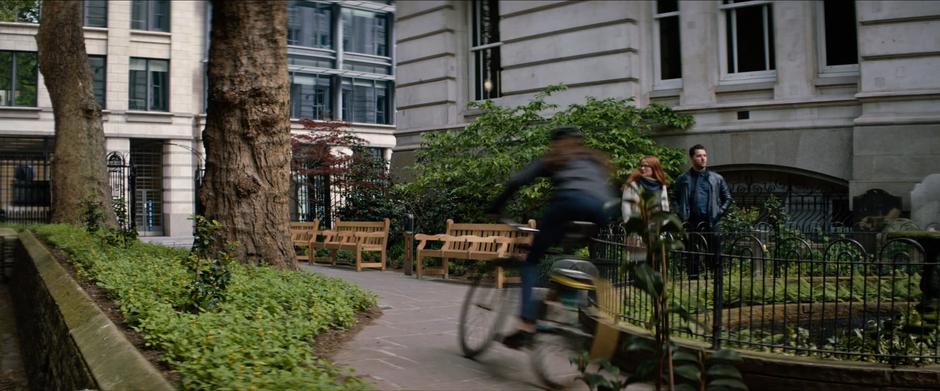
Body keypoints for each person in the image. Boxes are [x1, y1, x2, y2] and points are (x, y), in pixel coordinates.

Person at [485, 126, 615, 349]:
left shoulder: (555, 158)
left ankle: (526, 325)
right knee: (568, 256)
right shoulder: (593, 160)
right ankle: (553, 306)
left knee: (531, 261)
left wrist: (496, 207)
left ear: (556, 143)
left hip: (569, 203)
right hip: (601, 212)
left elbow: (517, 181)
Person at [673, 144, 732, 276]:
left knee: (715, 254)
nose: (703, 158)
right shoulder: (683, 179)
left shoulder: (716, 178)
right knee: (692, 254)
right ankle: (692, 281)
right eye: (699, 156)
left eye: (704, 155)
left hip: (712, 220)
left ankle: (716, 281)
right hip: (691, 221)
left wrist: (719, 212)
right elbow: (674, 198)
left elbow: (727, 198)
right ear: (692, 158)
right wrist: (680, 213)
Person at [621, 155, 670, 222]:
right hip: (637, 226)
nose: (642, 168)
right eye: (641, 166)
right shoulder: (633, 184)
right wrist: (630, 226)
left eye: (646, 166)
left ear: (654, 167)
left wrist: (664, 225)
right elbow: (625, 207)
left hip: (656, 226)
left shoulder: (661, 186)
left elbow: (665, 207)